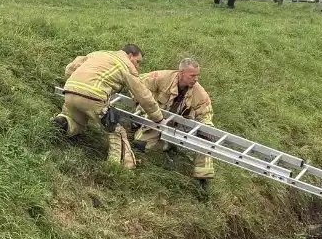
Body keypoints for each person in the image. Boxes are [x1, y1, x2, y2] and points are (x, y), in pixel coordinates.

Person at [52, 44, 166, 169]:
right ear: (129, 56)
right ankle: (119, 166)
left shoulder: (99, 53)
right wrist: (158, 118)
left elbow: (70, 67)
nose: (137, 66)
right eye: (137, 62)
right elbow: (143, 96)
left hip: (70, 90)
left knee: (75, 119)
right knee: (117, 130)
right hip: (93, 97)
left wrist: (74, 84)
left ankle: (62, 124)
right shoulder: (126, 66)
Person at [131, 58, 216, 189]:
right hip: (158, 119)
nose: (196, 79)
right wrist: (140, 103)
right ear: (181, 73)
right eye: (192, 75)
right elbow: (137, 83)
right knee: (141, 143)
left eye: (197, 75)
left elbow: (206, 113)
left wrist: (207, 128)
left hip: (181, 125)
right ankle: (167, 145)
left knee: (206, 139)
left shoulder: (199, 92)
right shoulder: (162, 77)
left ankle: (203, 179)